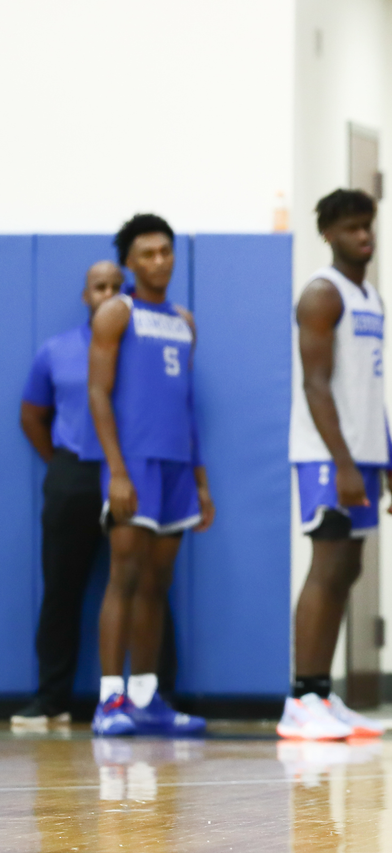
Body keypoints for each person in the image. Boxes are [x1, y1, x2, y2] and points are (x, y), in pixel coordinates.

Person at [280, 189, 392, 740]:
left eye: (369, 226)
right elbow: (316, 385)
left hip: (364, 454)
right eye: (353, 228)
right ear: (329, 233)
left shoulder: (371, 297)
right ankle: (301, 698)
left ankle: (323, 698)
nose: (365, 236)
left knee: (349, 570)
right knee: (327, 565)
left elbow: (369, 392)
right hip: (327, 457)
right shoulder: (321, 294)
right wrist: (344, 462)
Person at [86, 215, 216, 736]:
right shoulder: (117, 313)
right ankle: (109, 700)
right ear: (130, 262)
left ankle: (145, 696)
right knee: (126, 575)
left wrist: (202, 482)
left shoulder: (184, 320)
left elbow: (187, 404)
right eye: (148, 254)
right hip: (133, 463)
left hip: (178, 466)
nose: (159, 261)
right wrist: (116, 470)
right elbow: (97, 393)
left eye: (166, 251)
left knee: (157, 583)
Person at [13, 262, 125, 726]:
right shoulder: (55, 351)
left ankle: (149, 697)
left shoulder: (140, 350)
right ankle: (52, 701)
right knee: (61, 588)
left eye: (118, 288)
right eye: (100, 287)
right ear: (86, 296)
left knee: (141, 586)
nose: (109, 294)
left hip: (129, 477)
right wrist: (63, 463)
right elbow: (31, 415)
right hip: (73, 474)